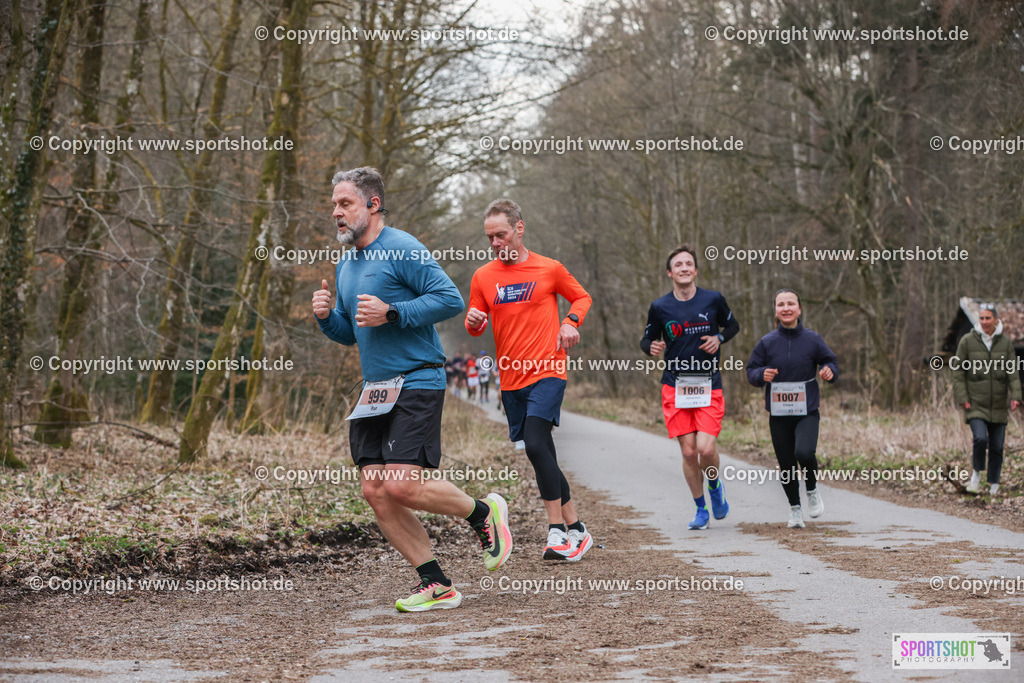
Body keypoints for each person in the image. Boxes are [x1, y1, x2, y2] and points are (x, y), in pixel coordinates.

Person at [312, 167, 512, 612]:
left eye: (345, 204)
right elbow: (352, 333)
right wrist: (328, 317)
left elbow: (449, 299)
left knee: (401, 485)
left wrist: (394, 312)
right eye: (334, 206)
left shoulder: (402, 247)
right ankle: (436, 583)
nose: (336, 213)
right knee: (375, 490)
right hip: (375, 388)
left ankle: (484, 513)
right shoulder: (347, 262)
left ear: (373, 205)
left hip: (417, 378)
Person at [466, 198, 594, 561]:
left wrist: (570, 322)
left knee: (537, 445)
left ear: (519, 229)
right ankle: (578, 529)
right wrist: (474, 323)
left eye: (501, 235)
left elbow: (581, 298)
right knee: (542, 453)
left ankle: (556, 532)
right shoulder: (483, 277)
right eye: (490, 237)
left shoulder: (549, 268)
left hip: (548, 371)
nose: (495, 243)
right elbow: (474, 323)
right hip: (511, 380)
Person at [640, 246, 739, 530]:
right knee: (687, 452)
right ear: (670, 273)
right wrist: (652, 347)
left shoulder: (713, 299)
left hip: (708, 383)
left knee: (706, 450)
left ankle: (715, 485)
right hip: (675, 384)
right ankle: (700, 509)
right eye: (678, 265)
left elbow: (733, 326)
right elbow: (646, 340)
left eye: (689, 264)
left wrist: (719, 338)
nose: (684, 268)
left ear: (695, 271)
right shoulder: (660, 306)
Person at [746, 289, 838, 528]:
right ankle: (795, 509)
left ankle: (812, 489)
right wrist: (761, 375)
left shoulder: (812, 339)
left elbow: (831, 361)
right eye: (780, 304)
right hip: (778, 413)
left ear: (799, 309)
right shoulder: (767, 342)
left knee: (804, 453)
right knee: (786, 463)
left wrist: (829, 371)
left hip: (806, 410)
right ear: (775, 310)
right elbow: (751, 371)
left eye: (790, 303)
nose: (785, 308)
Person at [952, 303, 1021, 496]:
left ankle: (994, 485)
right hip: (975, 403)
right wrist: (963, 397)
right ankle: (976, 475)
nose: (984, 322)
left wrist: (1015, 395)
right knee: (980, 438)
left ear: (996, 320)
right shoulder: (968, 341)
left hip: (998, 404)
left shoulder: (1005, 343)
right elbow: (957, 371)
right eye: (981, 318)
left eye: (987, 318)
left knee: (997, 446)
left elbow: (1012, 372)